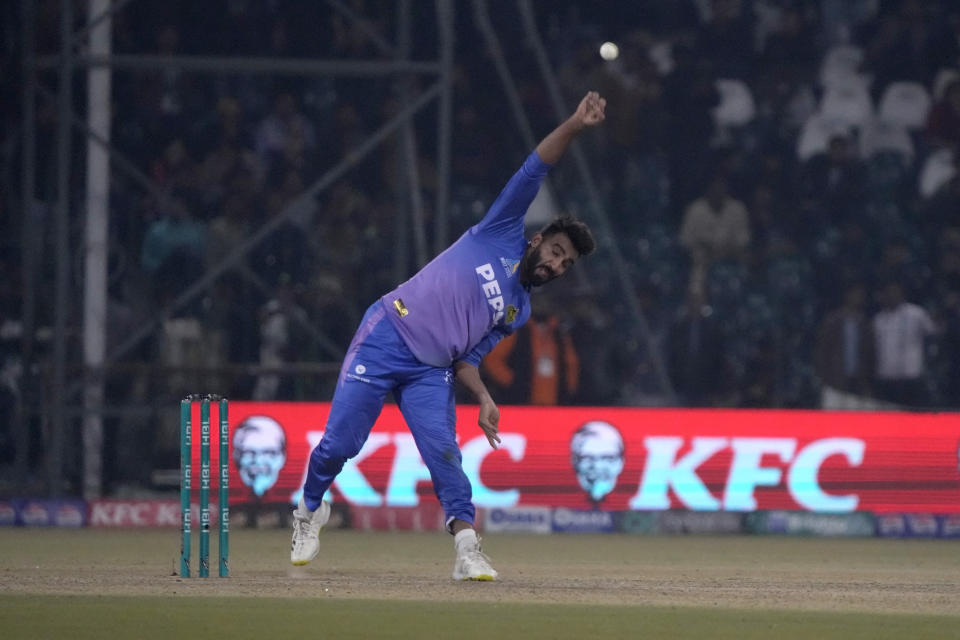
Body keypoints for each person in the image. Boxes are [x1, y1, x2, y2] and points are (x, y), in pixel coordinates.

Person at [290, 92, 604, 580]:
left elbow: (468, 357)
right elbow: (535, 167)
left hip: (430, 371)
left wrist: (482, 397)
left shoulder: (519, 311)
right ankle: (309, 512)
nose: (556, 265)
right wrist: (575, 126)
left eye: (565, 264)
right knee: (339, 445)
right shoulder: (502, 229)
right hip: (386, 334)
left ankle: (466, 549)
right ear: (538, 240)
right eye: (556, 252)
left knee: (445, 456)